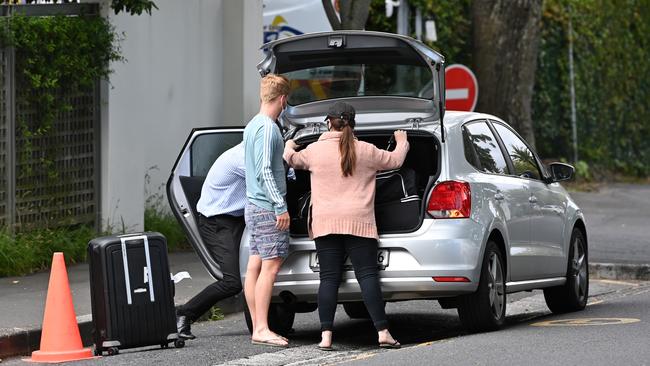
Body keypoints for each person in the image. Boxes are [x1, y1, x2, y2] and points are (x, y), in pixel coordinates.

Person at [283, 101, 409, 350]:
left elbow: (291, 159)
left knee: (328, 279)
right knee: (367, 277)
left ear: (328, 122)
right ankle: (383, 332)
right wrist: (401, 140)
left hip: (325, 223)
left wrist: (288, 144)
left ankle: (326, 336)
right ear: (353, 122)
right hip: (359, 223)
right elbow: (395, 161)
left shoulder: (315, 151)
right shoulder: (366, 150)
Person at [175, 142, 247, 340]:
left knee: (255, 271)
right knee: (232, 282)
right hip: (218, 222)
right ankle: (184, 313)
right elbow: (269, 180)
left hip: (237, 219)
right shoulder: (241, 158)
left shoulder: (250, 152)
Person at [243, 73, 291, 347]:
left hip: (253, 205)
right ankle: (261, 327)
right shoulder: (268, 128)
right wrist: (280, 206)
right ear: (283, 99)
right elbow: (264, 171)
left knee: (255, 266)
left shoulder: (251, 126)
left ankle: (257, 325)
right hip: (266, 207)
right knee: (270, 267)